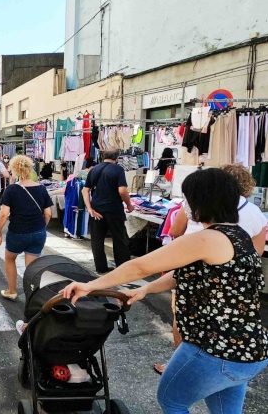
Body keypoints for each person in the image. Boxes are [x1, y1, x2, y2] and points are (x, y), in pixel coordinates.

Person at [63, 168, 268, 414]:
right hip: (249, 351)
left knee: (172, 400)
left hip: (216, 349)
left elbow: (140, 265)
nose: (185, 206)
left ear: (202, 200)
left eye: (187, 199)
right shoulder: (239, 235)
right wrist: (146, 289)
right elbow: (183, 273)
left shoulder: (205, 239)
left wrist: (91, 285)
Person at [151, 163, 268, 375]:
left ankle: (182, 366)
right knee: (220, 325)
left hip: (193, 273)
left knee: (183, 317)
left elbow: (174, 233)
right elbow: (255, 254)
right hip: (233, 288)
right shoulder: (252, 215)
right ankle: (211, 367)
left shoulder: (200, 212)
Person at [0, 155, 53, 300]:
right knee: (32, 267)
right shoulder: (41, 188)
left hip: (18, 232)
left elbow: (4, 214)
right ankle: (32, 296)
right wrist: (42, 227)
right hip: (38, 231)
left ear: (15, 170)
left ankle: (12, 290)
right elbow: (48, 214)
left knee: (10, 259)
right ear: (30, 169)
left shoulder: (12, 190)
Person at [82, 149, 134, 273]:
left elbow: (84, 190)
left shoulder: (93, 170)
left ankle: (101, 267)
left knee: (97, 240)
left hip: (96, 209)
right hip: (113, 209)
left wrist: (90, 209)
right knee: (119, 239)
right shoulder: (118, 169)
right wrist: (129, 205)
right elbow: (122, 191)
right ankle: (123, 268)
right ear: (116, 158)